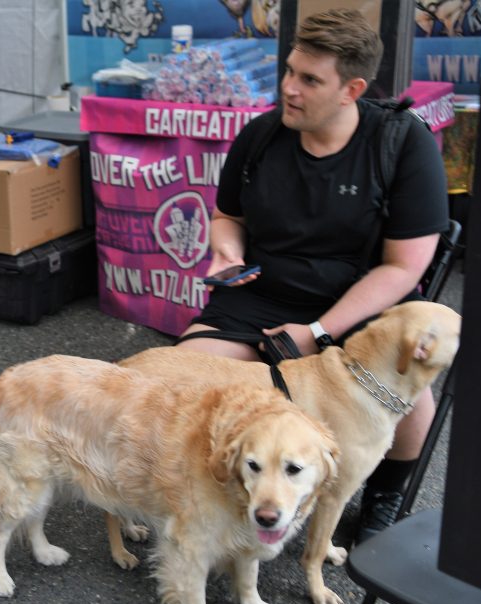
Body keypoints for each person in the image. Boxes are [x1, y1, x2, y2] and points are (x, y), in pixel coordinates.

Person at [179, 9, 448, 543]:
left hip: (359, 304)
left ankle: (382, 497)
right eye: (288, 72)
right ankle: (199, 485)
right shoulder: (261, 135)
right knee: (180, 373)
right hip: (263, 295)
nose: (288, 89)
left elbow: (404, 267)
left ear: (351, 89)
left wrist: (318, 333)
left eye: (308, 80)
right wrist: (226, 253)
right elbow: (228, 215)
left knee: (412, 399)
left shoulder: (401, 144)